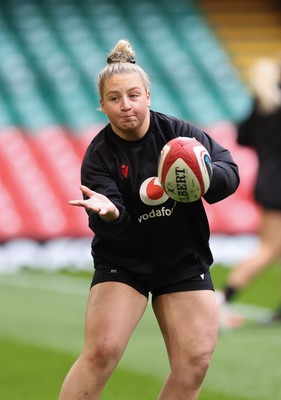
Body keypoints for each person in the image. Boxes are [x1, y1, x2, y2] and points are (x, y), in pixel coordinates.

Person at [59, 39, 239, 400]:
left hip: (182, 259)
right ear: (102, 105)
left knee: (195, 361)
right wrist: (110, 214)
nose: (126, 106)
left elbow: (229, 172)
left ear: (148, 97)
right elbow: (109, 213)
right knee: (102, 351)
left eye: (133, 95)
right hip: (124, 263)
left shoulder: (179, 135)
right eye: (114, 98)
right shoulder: (99, 155)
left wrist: (205, 176)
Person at [219, 57, 281, 327]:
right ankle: (220, 300)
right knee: (269, 249)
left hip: (268, 180)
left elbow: (242, 136)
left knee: (270, 247)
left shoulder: (262, 106)